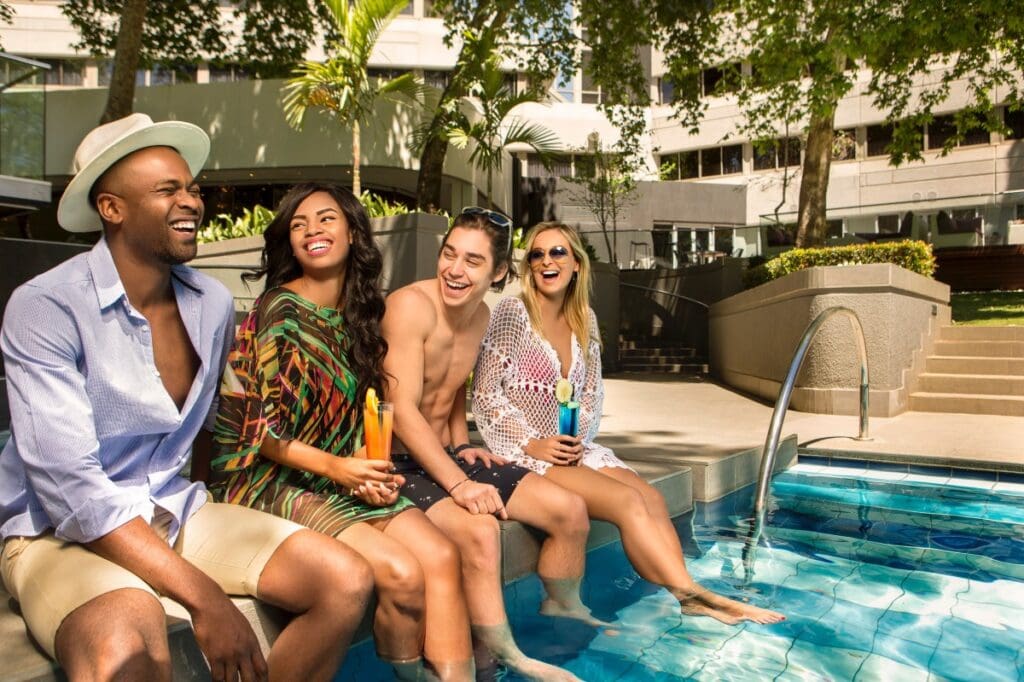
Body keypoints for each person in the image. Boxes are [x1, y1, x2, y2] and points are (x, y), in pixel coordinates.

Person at [0, 114, 374, 682]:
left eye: (192, 188)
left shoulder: (211, 303)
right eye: (167, 190)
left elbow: (207, 434)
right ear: (112, 208)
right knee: (127, 640)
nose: (192, 201)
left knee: (346, 580)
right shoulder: (46, 307)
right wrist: (205, 597)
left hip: (174, 510)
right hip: (58, 532)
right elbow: (73, 492)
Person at [203, 182, 474, 681]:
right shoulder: (278, 312)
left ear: (352, 232)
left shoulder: (361, 317)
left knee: (441, 554)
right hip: (268, 479)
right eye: (299, 225)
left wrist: (369, 471)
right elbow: (258, 434)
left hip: (337, 475)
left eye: (325, 219)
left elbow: (353, 418)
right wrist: (343, 471)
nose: (312, 231)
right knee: (401, 572)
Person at [472, 221, 786, 626]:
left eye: (558, 253)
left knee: (652, 500)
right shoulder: (514, 313)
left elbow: (591, 396)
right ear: (530, 265)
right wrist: (532, 444)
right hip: (524, 451)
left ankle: (689, 594)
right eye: (537, 254)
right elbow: (484, 392)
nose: (547, 261)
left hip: (572, 448)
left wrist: (575, 441)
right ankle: (694, 595)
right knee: (627, 502)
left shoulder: (585, 319)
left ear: (577, 266)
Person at [382, 208, 593, 682]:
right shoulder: (410, 307)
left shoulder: (482, 317)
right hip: (397, 459)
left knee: (570, 509)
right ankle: (508, 657)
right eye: (449, 254)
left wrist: (462, 444)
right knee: (479, 532)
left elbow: (453, 386)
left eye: (473, 261)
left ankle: (564, 614)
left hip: (446, 457)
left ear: (498, 272)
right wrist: (459, 483)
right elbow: (401, 406)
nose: (455, 270)